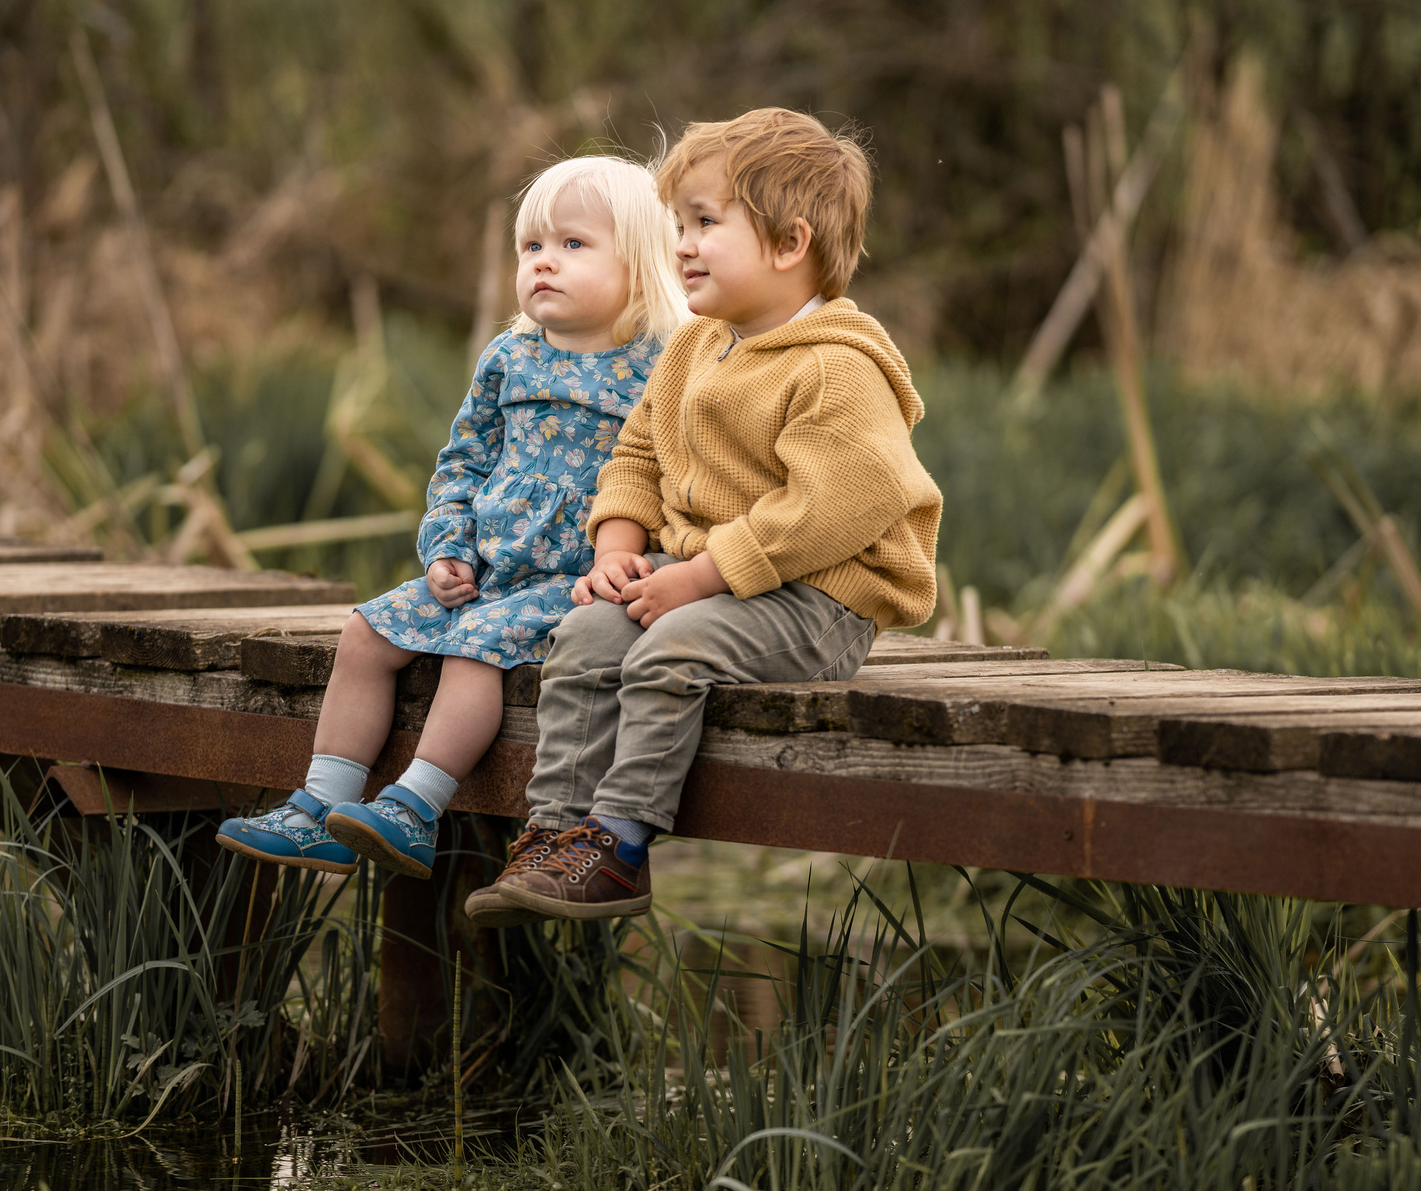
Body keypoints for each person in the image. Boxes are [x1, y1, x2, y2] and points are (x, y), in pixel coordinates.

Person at [466, 108, 943, 924]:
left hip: (818, 601)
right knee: (584, 637)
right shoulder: (695, 347)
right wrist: (617, 547)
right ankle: (554, 835)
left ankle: (619, 845)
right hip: (707, 582)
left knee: (673, 649)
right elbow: (639, 453)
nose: (680, 242)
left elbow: (839, 502)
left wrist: (703, 575)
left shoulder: (835, 366)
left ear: (790, 245)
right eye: (678, 223)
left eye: (704, 223)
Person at [216, 155, 687, 880]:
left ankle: (413, 809)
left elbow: (671, 482)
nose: (543, 265)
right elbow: (462, 463)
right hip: (486, 571)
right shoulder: (509, 357)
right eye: (531, 247)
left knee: (474, 648)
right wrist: (447, 547)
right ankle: (321, 807)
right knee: (366, 633)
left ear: (641, 261)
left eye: (572, 245)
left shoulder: (663, 367)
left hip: (570, 583)